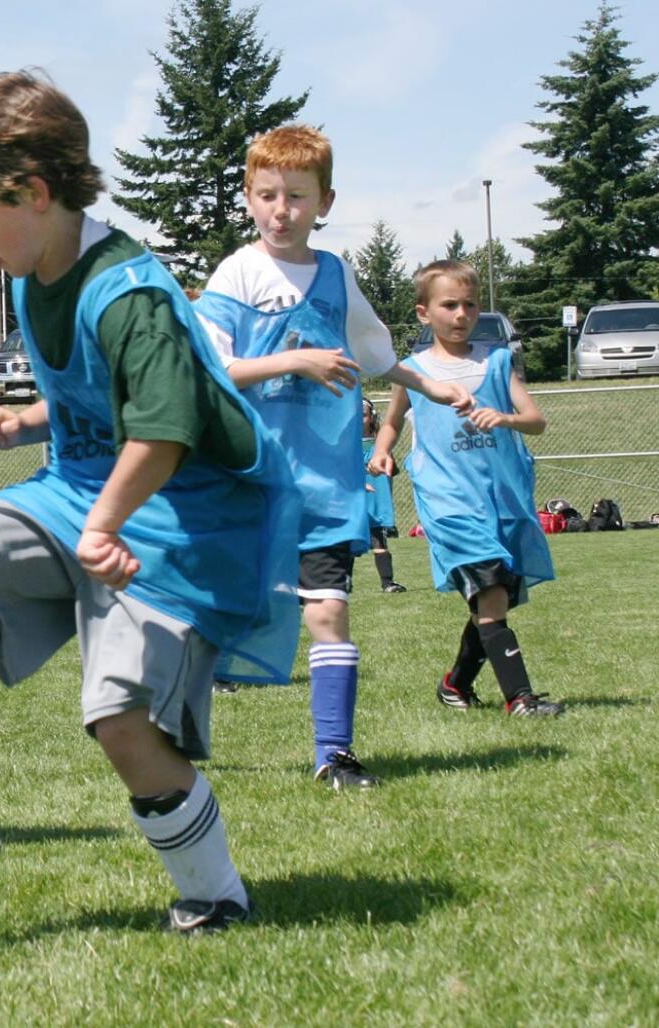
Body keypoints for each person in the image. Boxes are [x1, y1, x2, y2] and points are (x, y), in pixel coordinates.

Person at [0, 71, 301, 935]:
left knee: (121, 723)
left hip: (187, 520)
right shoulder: (33, 277)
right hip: (87, 493)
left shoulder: (131, 292)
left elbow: (166, 432)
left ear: (29, 193)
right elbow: (103, 406)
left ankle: (215, 894)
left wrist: (104, 523)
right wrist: (27, 420)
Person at [194, 125, 473, 788]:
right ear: (248, 197)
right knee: (211, 615)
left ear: (325, 201)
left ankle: (333, 754)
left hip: (321, 480)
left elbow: (375, 354)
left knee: (328, 610)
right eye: (267, 195)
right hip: (247, 478)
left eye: (296, 195)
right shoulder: (237, 271)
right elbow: (211, 369)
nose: (281, 210)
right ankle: (170, 726)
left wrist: (430, 384)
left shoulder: (335, 273)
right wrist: (294, 359)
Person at [369, 260, 562, 716]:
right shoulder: (412, 372)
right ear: (423, 312)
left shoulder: (497, 362)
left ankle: (455, 685)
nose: (461, 314)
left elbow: (535, 420)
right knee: (491, 592)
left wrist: (506, 418)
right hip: (449, 503)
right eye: (449, 304)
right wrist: (381, 452)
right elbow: (392, 421)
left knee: (492, 600)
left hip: (502, 500)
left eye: (470, 304)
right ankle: (521, 699)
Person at [361, 398, 406, 593]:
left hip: (374, 504)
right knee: (343, 545)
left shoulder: (379, 446)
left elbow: (392, 469)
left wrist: (383, 457)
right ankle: (341, 583)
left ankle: (387, 583)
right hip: (351, 505)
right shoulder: (344, 445)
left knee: (379, 542)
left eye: (363, 414)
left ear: (372, 418)